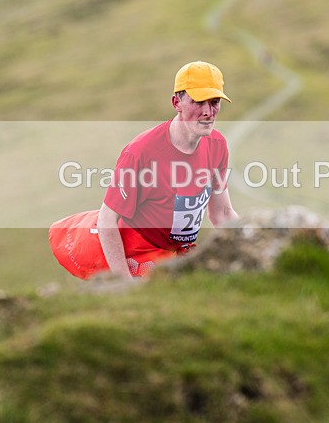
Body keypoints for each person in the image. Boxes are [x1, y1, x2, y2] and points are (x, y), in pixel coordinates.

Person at [97, 61, 239, 278]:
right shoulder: (140, 153)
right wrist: (123, 283)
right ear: (176, 102)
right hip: (140, 252)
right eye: (198, 102)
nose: (208, 112)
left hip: (181, 253)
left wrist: (255, 244)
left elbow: (222, 212)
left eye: (215, 102)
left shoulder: (218, 145)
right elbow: (107, 219)